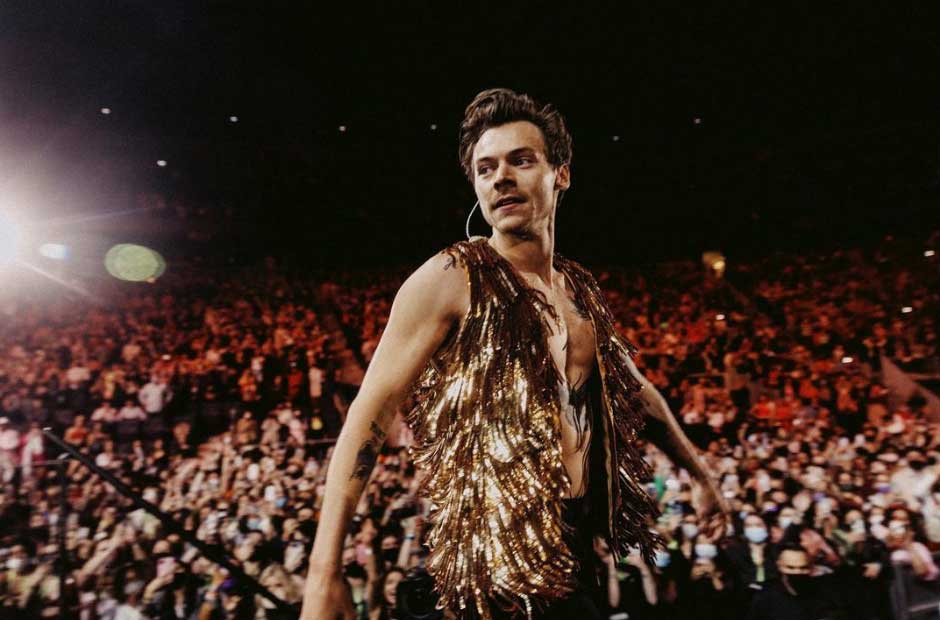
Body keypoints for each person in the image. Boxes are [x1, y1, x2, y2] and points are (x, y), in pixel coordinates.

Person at [301, 88, 728, 620]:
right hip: (489, 569)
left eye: (520, 161)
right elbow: (370, 413)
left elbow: (636, 393)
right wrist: (323, 572)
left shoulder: (579, 292)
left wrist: (702, 477)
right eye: (486, 169)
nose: (500, 177)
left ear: (560, 174)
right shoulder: (452, 277)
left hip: (572, 558)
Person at [746, 543, 849, 620]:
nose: (797, 572)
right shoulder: (766, 597)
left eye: (803, 568)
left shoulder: (826, 592)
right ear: (779, 566)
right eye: (790, 568)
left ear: (811, 567)